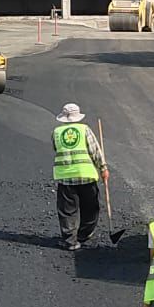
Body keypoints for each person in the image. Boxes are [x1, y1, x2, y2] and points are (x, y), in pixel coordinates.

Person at [52, 102, 107, 251]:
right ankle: (84, 234)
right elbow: (95, 150)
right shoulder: (84, 130)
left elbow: (56, 149)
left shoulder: (57, 132)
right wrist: (103, 168)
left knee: (67, 210)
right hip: (86, 176)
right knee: (90, 207)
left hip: (65, 178)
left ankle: (70, 241)